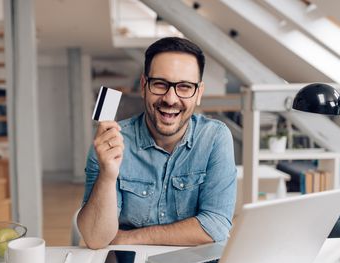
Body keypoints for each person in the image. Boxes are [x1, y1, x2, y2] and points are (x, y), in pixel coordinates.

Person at [78, 37, 237, 249]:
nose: (171, 99)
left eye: (184, 87)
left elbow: (216, 225)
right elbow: (96, 238)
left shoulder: (215, 137)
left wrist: (128, 237)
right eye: (160, 84)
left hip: (190, 261)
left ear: (198, 93)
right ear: (144, 86)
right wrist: (108, 174)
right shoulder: (110, 142)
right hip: (126, 262)